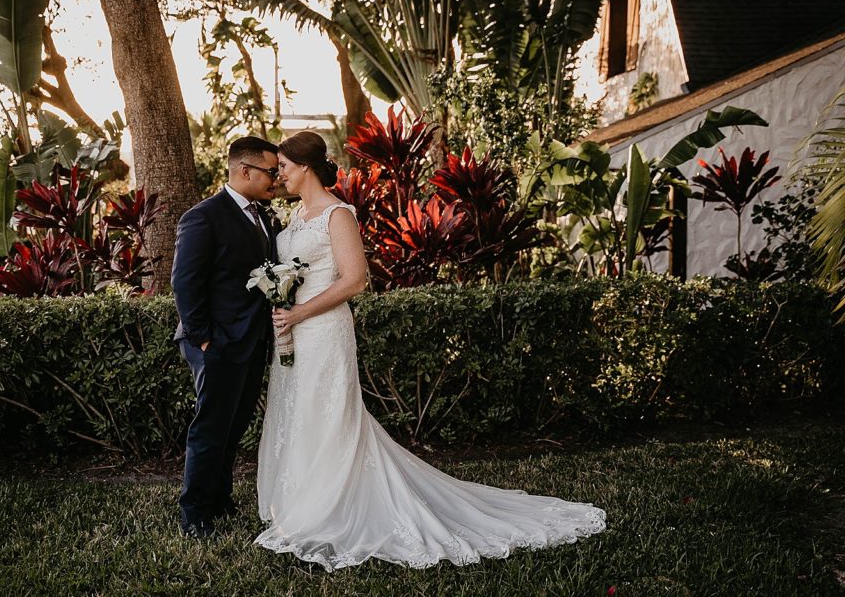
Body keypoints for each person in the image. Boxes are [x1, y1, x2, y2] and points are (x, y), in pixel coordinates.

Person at [256, 131, 606, 570]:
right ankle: (302, 502)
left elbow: (354, 280)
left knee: (327, 413)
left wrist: (302, 311)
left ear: (304, 166)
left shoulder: (337, 214)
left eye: (283, 166)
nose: (279, 175)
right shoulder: (295, 217)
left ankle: (331, 508)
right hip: (295, 331)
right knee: (300, 410)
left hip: (324, 329)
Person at [171, 136, 281, 538]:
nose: (277, 178)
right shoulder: (203, 216)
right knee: (211, 428)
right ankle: (194, 512)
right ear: (245, 171)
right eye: (271, 171)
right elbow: (185, 283)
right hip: (216, 343)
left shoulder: (264, 215)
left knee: (233, 427)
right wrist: (203, 339)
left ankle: (219, 497)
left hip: (251, 341)